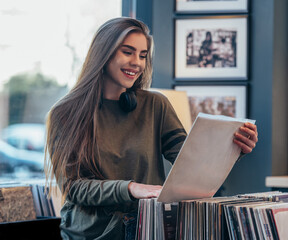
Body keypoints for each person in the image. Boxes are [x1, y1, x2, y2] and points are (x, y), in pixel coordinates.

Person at [45, 17, 258, 240]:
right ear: (103, 53)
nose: (137, 62)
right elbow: (74, 187)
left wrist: (233, 148)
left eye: (143, 55)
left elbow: (190, 163)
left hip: (147, 229)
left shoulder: (156, 105)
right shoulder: (65, 113)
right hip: (91, 234)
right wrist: (131, 188)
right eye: (127, 52)